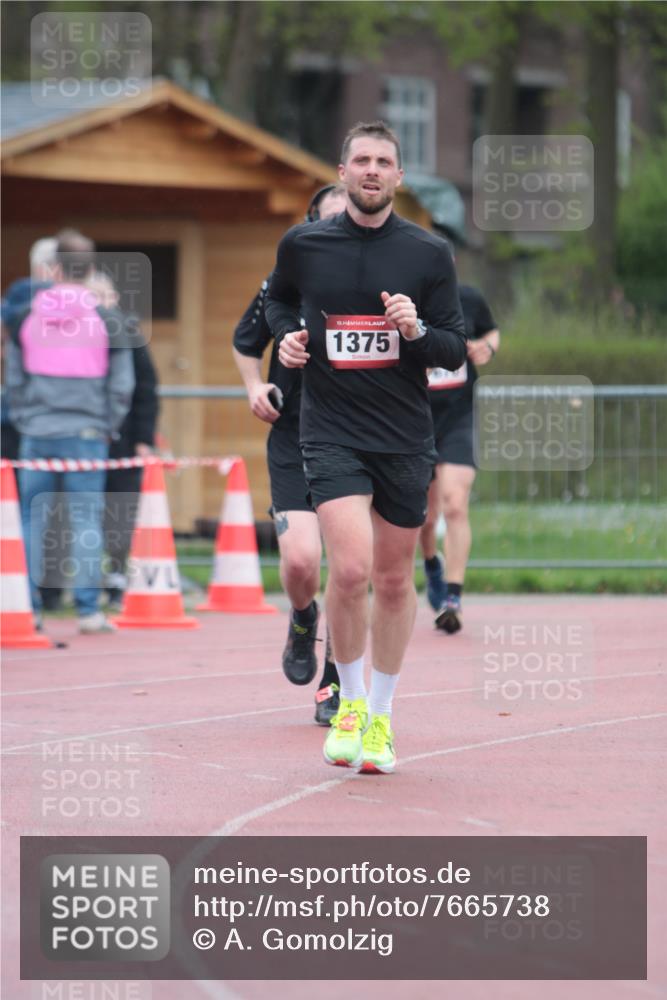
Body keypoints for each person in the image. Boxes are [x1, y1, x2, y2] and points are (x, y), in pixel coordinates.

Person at [266, 121, 466, 773]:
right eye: (361, 160)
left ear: (398, 177)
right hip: (330, 431)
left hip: (404, 435)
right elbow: (276, 305)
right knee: (348, 572)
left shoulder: (429, 255)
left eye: (384, 161)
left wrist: (415, 329)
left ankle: (381, 716)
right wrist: (290, 340)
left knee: (390, 577)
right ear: (342, 171)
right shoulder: (304, 244)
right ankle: (349, 703)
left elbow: (452, 348)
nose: (372, 170)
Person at [233, 183, 347, 725]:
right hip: (294, 434)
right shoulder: (284, 284)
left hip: (359, 435)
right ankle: (303, 618)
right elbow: (243, 342)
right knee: (302, 560)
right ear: (307, 228)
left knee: (352, 571)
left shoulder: (379, 281)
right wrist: (255, 387)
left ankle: (336, 683)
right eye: (327, 221)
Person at [4, 229, 135, 633]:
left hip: (37, 431)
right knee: (85, 520)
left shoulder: (26, 315)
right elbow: (122, 384)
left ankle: (28, 608)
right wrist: (106, 424)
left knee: (29, 519)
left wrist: (26, 417)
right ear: (91, 269)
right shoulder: (107, 319)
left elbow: (14, 376)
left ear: (54, 269)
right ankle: (88, 611)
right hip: (87, 433)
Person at [421, 284, 500, 633]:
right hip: (415, 418)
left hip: (459, 418)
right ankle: (431, 566)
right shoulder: (404, 299)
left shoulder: (468, 297)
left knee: (454, 504)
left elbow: (491, 332)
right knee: (424, 518)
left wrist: (487, 348)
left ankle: (453, 597)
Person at [85, 272, 159, 614]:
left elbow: (146, 389)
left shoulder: (129, 335)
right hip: (84, 434)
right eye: (95, 297)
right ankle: (63, 586)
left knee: (119, 510)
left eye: (107, 297)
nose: (103, 305)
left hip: (124, 439)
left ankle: (115, 577)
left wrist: (144, 438)